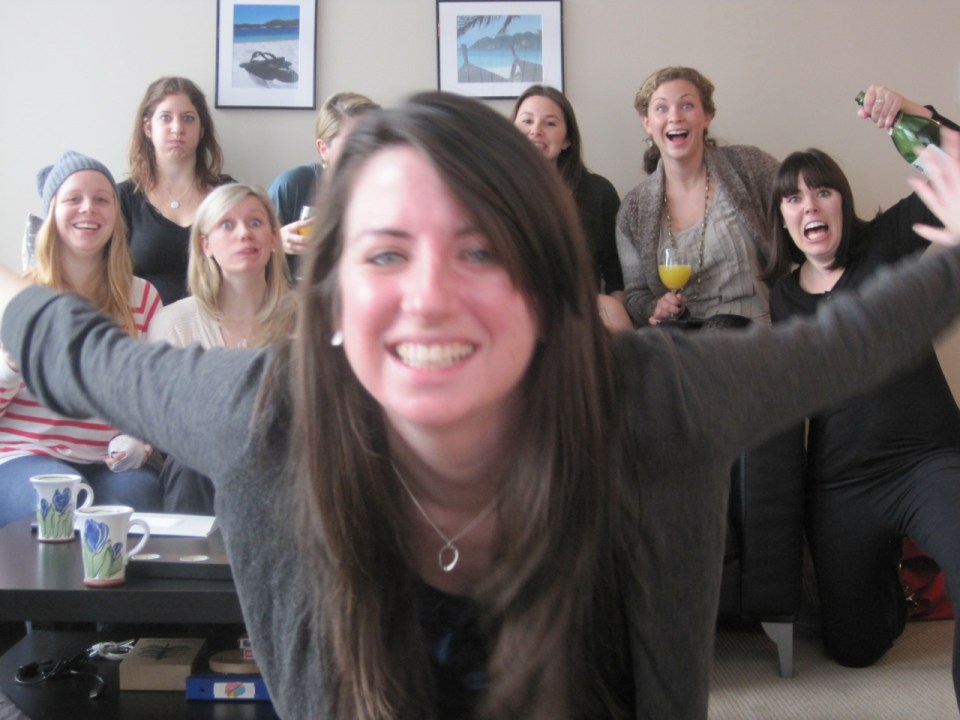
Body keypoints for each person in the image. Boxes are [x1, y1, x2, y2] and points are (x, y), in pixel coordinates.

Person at [3, 92, 960, 720]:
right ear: (331, 300)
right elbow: (77, 349)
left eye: (481, 251)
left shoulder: (651, 396)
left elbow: (847, 339)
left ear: (546, 287)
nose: (430, 298)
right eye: (386, 253)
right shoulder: (266, 413)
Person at [762, 86, 960, 706]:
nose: (809, 204)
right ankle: (897, 594)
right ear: (784, 220)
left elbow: (957, 168)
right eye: (793, 197)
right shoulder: (781, 297)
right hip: (843, 480)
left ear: (843, 203)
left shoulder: (886, 243)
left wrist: (914, 114)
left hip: (928, 461)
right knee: (855, 648)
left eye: (822, 190)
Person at [0, 151, 163, 527]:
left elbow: (152, 395)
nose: (88, 208)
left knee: (140, 496)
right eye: (73, 198)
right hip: (23, 454)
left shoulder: (142, 298)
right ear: (52, 213)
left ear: (115, 215)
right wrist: (9, 367)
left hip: (105, 460)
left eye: (102, 199)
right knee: (61, 497)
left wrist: (140, 439)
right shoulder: (18, 297)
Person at [147, 183, 292, 513]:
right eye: (227, 224)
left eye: (255, 222)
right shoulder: (174, 324)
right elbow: (169, 427)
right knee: (191, 465)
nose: (244, 233)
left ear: (273, 238)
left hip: (286, 463)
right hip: (201, 468)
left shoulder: (307, 320)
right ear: (205, 244)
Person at [617, 66, 780, 326]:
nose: (675, 117)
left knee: (721, 327)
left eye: (687, 105)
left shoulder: (750, 167)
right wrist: (655, 307)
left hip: (753, 333)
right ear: (647, 123)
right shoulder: (633, 209)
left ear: (707, 116)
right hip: (683, 336)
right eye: (661, 108)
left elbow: (805, 209)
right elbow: (636, 295)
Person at [119, 76, 234, 304]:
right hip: (142, 324)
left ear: (202, 130)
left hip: (215, 322)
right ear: (148, 128)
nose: (178, 128)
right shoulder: (122, 198)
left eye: (188, 118)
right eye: (165, 118)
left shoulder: (227, 194)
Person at [511, 85, 624, 299]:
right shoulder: (491, 192)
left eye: (550, 123)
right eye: (527, 121)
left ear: (567, 140)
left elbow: (617, 277)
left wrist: (613, 311)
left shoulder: (599, 192)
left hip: (580, 311)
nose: (536, 130)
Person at [269, 91, 380, 267]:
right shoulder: (294, 185)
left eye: (371, 141)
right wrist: (274, 243)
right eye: (351, 144)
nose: (364, 152)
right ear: (323, 149)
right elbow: (253, 250)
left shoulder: (389, 192)